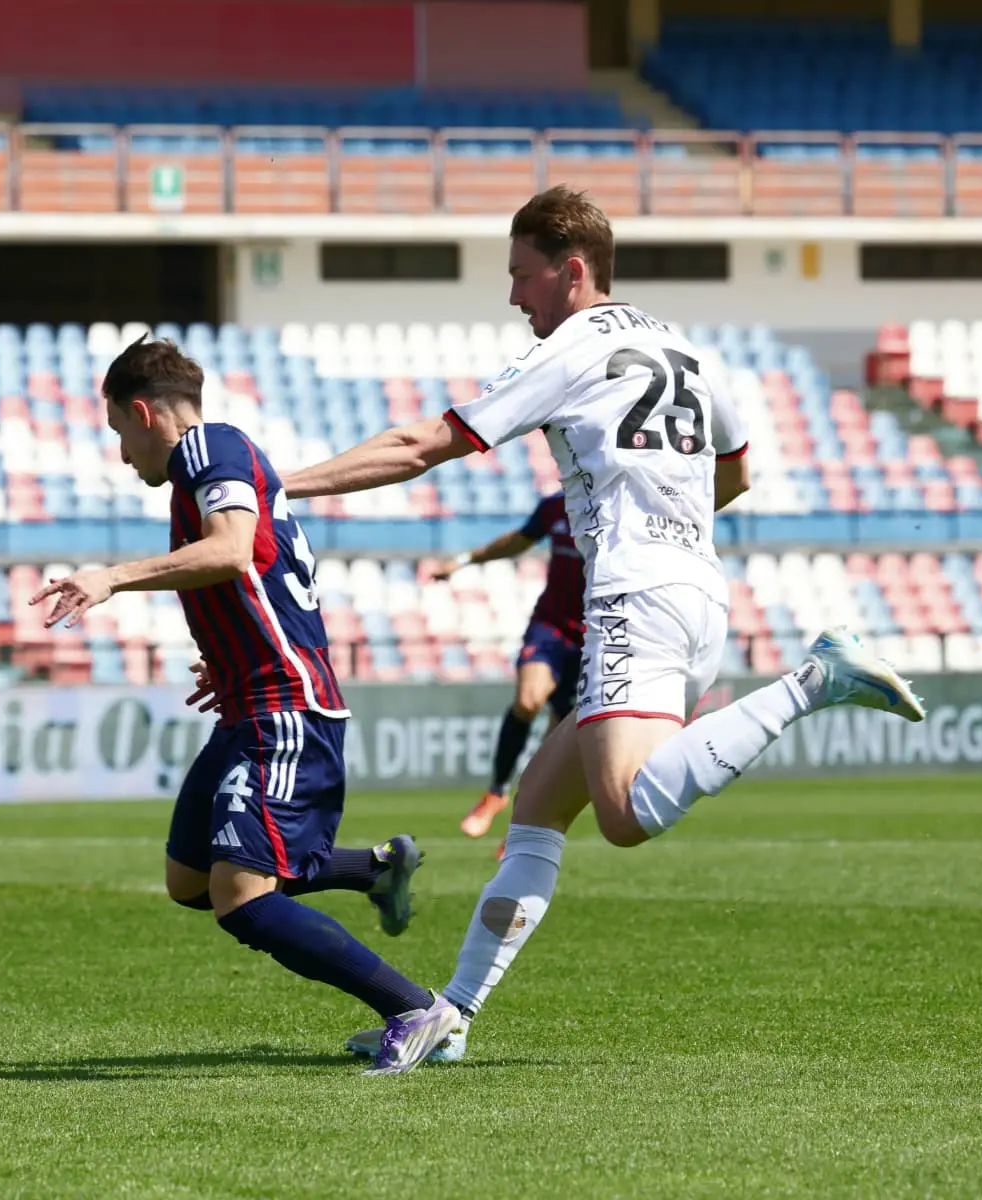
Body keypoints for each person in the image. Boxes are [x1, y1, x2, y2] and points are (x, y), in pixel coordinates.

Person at [283, 186, 925, 1074]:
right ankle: (450, 1014)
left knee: (623, 815)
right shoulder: (682, 347)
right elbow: (734, 470)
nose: (515, 299)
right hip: (697, 590)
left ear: (571, 269)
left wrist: (283, 488)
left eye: (522, 275)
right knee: (540, 811)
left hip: (633, 597)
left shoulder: (575, 346)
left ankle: (817, 678)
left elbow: (424, 445)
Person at [31, 336, 453, 1073]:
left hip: (283, 705)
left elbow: (231, 550)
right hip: (247, 696)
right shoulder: (206, 468)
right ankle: (372, 870)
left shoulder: (208, 449)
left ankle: (414, 1008)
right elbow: (258, 567)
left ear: (143, 413)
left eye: (119, 434)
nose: (123, 453)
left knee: (242, 897)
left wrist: (114, 577)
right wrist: (226, 658)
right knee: (190, 880)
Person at [434, 491, 584, 850]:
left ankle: (522, 823)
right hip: (550, 626)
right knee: (529, 700)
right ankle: (496, 792)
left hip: (595, 634)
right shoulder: (555, 506)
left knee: (557, 741)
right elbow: (519, 540)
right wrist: (465, 560)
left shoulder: (618, 506)